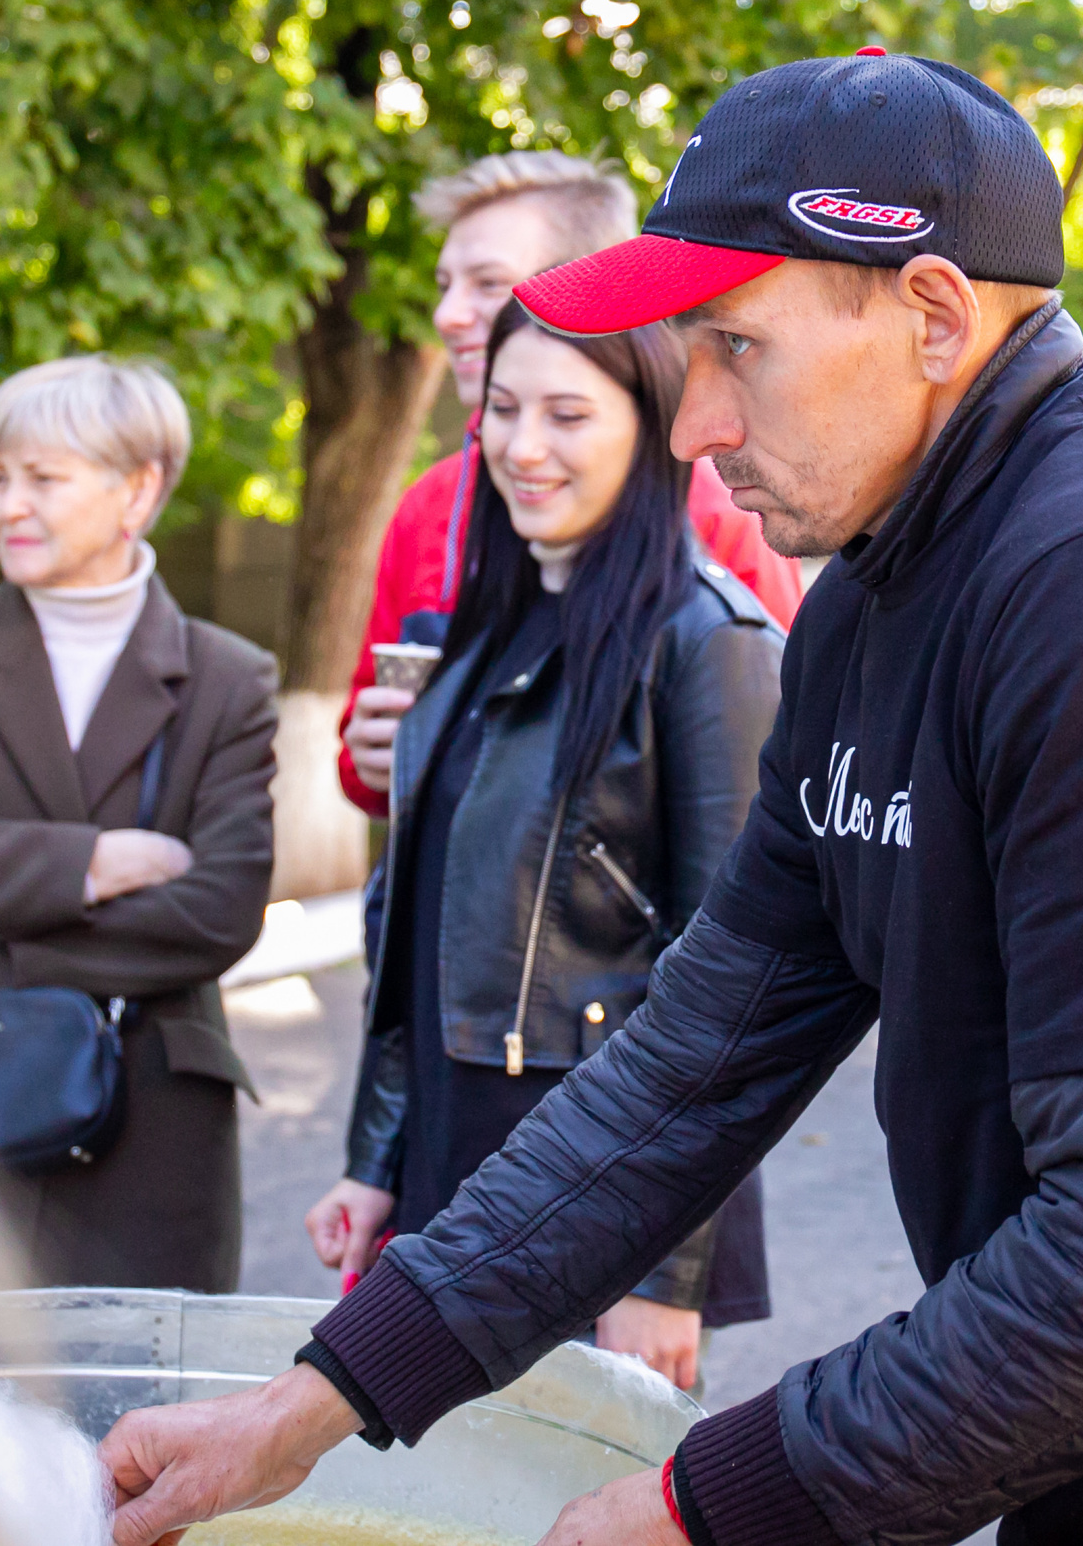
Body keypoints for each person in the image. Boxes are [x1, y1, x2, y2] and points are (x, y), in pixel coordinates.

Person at [100, 53, 1083, 1545]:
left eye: (736, 348)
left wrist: (697, 1506)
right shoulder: (872, 599)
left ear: (932, 315)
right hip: (1076, 1453)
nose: (692, 428)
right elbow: (694, 1060)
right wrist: (308, 1405)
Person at [307, 296, 782, 1390]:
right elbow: (415, 923)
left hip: (593, 1188)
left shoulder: (710, 646)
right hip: (448, 1165)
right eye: (503, 409)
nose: (523, 448)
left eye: (567, 414)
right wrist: (375, 1160)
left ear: (652, 423)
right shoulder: (478, 637)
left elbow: (739, 995)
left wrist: (665, 1273)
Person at [0, 355, 278, 1292]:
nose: (9, 504)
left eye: (42, 479)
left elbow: (219, 910)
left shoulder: (229, 677)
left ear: (137, 491)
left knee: (133, 1428)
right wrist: (98, 860)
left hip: (150, 1129)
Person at [336, 152, 801, 820]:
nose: (448, 314)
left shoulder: (721, 508)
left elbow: (776, 757)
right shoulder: (430, 505)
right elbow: (362, 766)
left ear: (593, 287)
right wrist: (373, 754)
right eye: (444, 284)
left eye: (487, 284)